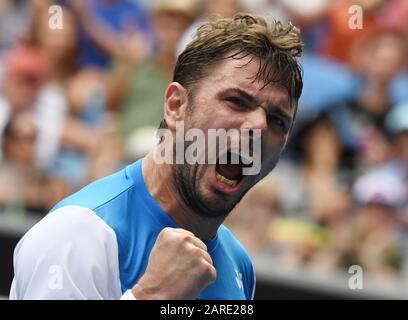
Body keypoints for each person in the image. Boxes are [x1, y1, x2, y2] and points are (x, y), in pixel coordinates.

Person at [9, 13, 303, 300]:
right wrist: (151, 295)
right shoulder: (77, 234)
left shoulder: (238, 263)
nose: (259, 128)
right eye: (237, 101)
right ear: (175, 105)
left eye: (278, 120)